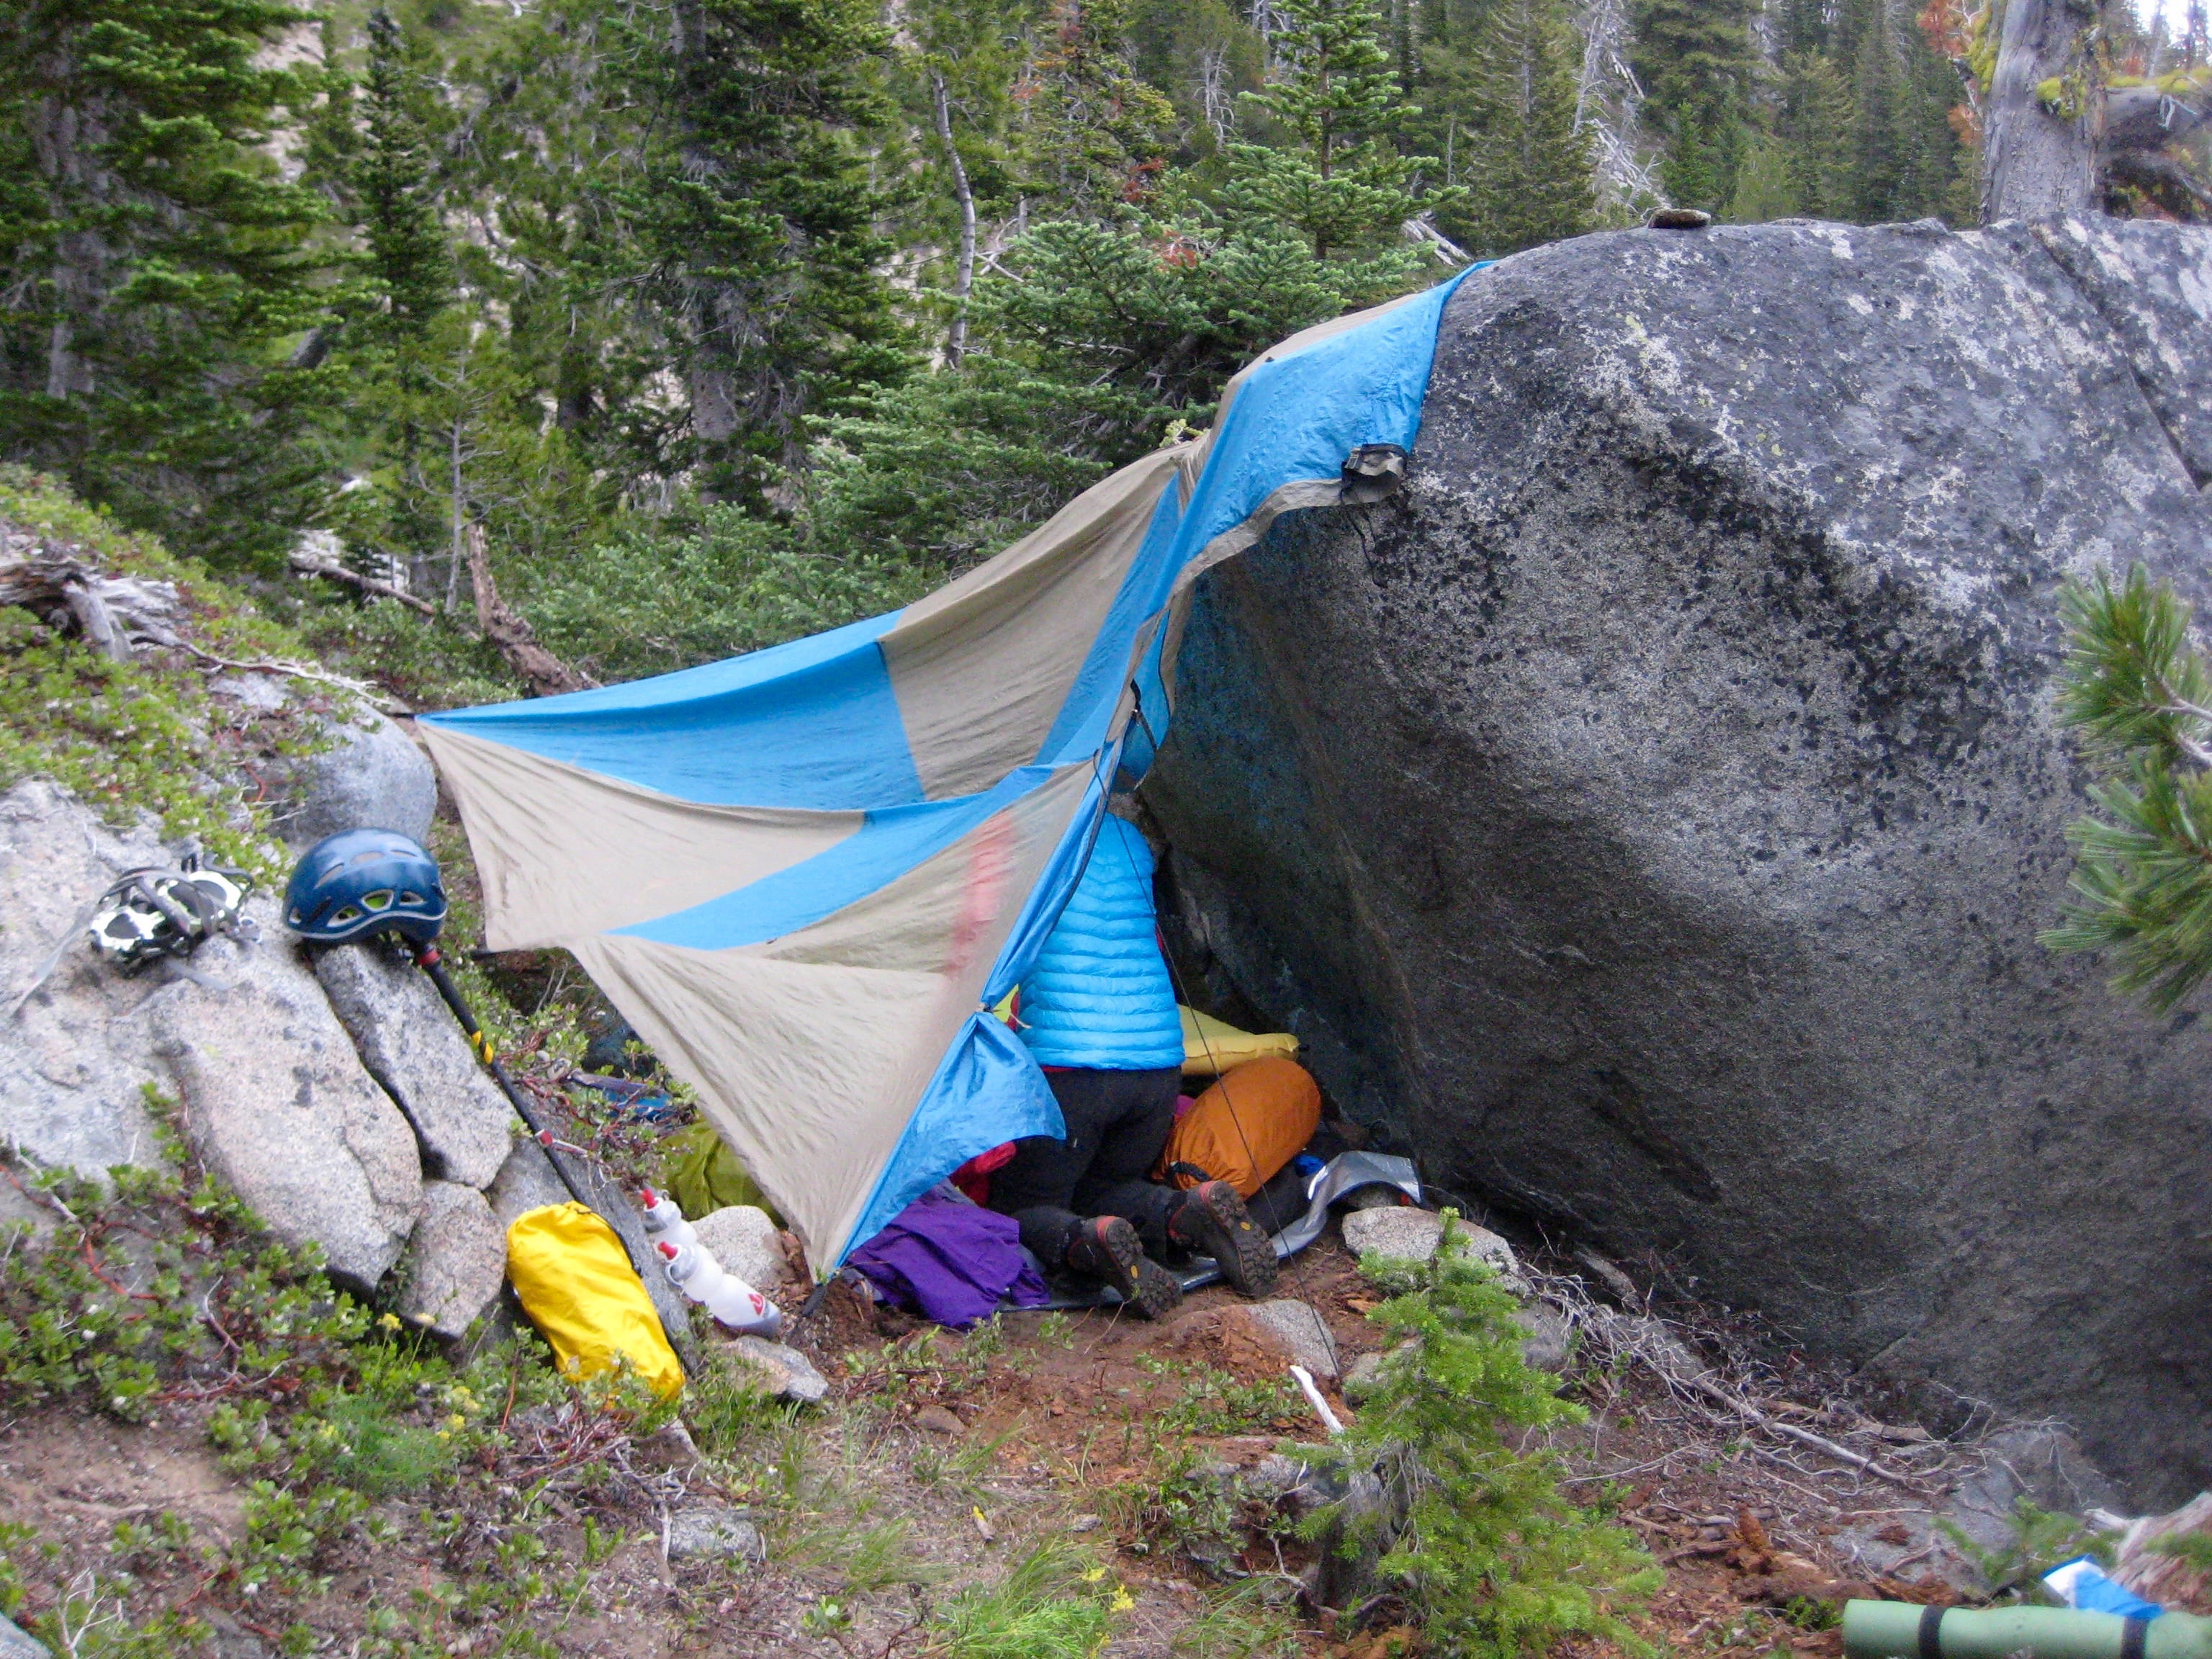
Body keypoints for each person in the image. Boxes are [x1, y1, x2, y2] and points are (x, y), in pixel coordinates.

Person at [986, 808, 1277, 1318]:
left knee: (1022, 1205)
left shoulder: (1018, 832)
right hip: (1159, 1066)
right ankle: (1188, 1212)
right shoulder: (1129, 839)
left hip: (1071, 1070)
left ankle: (1086, 1241)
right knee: (1108, 1185)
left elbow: (985, 951)